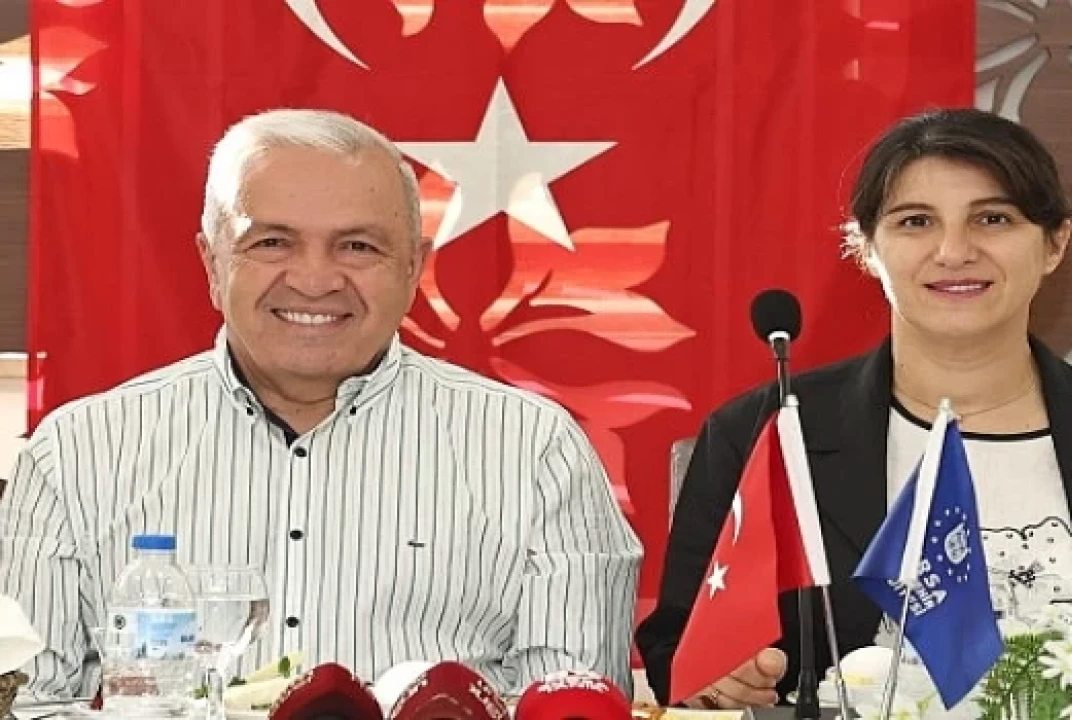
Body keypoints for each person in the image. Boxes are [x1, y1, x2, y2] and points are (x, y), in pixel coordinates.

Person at [0, 109, 642, 699]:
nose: (314, 280)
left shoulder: (534, 451)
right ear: (211, 263)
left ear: (413, 268)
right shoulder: (77, 452)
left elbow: (573, 706)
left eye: (358, 246)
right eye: (271, 243)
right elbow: (27, 701)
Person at [635, 108, 1072, 709]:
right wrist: (721, 678)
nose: (954, 251)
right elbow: (676, 652)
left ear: (1055, 243)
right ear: (867, 246)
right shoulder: (768, 432)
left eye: (993, 218)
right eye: (916, 222)